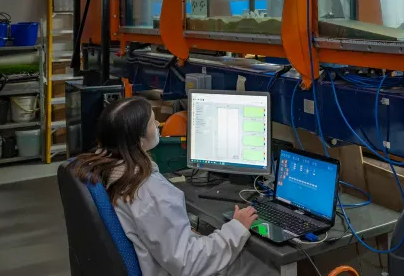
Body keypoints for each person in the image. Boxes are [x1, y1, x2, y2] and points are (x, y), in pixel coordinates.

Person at [72, 97, 277, 276]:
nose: (159, 124)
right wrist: (236, 228)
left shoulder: (105, 169)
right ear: (139, 139)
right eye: (153, 122)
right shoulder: (148, 191)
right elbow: (188, 263)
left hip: (157, 259)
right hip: (172, 269)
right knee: (265, 266)